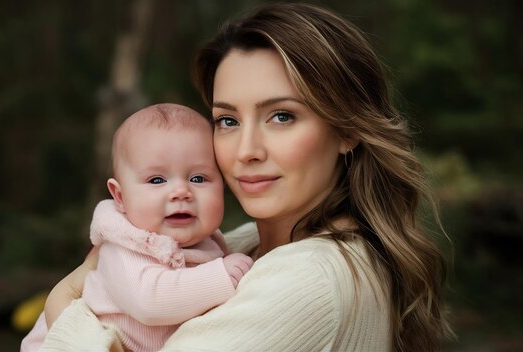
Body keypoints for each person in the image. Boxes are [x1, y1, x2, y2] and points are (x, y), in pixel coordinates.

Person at [32, 3, 452, 351]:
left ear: (346, 130)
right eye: (228, 120)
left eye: (282, 116)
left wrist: (63, 303)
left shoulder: (308, 278)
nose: (246, 150)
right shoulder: (242, 245)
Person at [20, 103, 253, 352]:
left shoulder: (211, 242)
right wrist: (220, 276)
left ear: (223, 186)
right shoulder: (125, 246)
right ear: (120, 197)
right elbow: (149, 302)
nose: (181, 192)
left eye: (198, 178)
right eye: (156, 180)